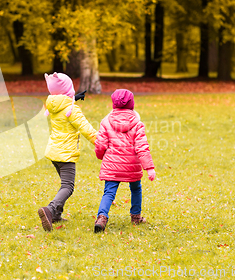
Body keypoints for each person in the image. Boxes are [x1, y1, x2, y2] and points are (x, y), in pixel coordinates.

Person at [38, 73, 97, 232]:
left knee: (65, 185)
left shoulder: (53, 104)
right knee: (68, 186)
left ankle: (56, 215)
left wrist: (74, 97)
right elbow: (86, 129)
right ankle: (50, 210)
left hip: (54, 152)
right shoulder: (72, 110)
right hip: (65, 154)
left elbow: (64, 102)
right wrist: (101, 143)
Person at [93, 89, 156, 233]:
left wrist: (100, 156)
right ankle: (136, 216)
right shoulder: (137, 123)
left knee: (109, 192)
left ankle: (102, 217)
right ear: (132, 105)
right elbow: (142, 147)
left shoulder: (106, 121)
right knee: (136, 189)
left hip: (112, 166)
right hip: (131, 166)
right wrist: (149, 168)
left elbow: (100, 144)